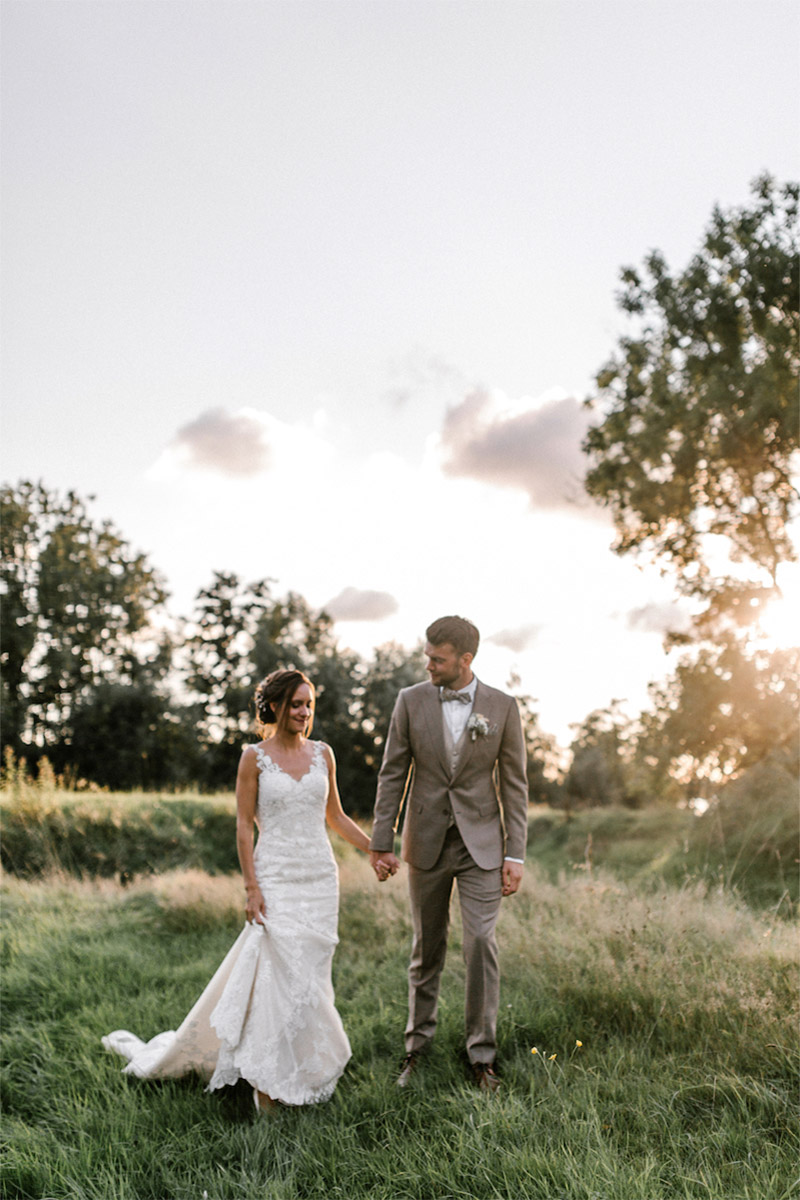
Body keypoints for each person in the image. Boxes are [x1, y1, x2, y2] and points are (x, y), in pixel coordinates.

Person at [103, 668, 379, 1110]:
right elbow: (243, 827)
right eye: (295, 704)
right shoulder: (254, 758)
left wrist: (374, 849)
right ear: (273, 706)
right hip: (274, 878)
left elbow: (336, 816)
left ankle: (304, 1067)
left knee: (309, 978)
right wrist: (251, 887)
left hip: (319, 880)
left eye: (309, 704)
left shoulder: (323, 754)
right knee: (275, 977)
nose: (304, 712)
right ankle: (265, 1085)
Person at [369, 615, 528, 1093]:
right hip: (427, 841)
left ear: (466, 659)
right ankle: (416, 1051)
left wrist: (514, 854)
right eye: (428, 656)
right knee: (427, 948)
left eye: (437, 658)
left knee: (481, 943)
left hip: (483, 845)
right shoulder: (409, 701)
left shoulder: (503, 707)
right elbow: (392, 773)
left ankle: (482, 1057)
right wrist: (382, 840)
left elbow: (515, 785)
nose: (428, 664)